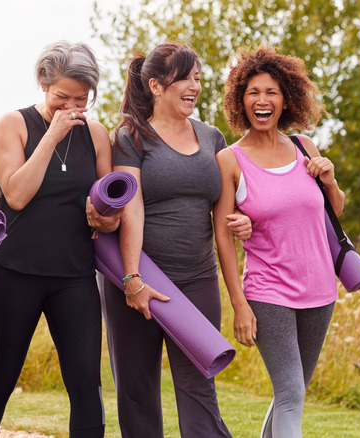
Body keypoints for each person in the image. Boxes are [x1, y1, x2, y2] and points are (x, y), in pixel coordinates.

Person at [0, 41, 119, 438]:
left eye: (81, 100)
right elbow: (15, 194)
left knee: (87, 386)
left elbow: (110, 211)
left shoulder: (97, 134)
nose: (71, 107)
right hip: (13, 271)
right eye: (61, 97)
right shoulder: (11, 125)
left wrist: (105, 217)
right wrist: (50, 137)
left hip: (74, 276)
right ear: (42, 84)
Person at [101, 42, 245, 438]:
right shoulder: (131, 136)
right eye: (184, 77)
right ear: (156, 86)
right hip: (141, 275)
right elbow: (131, 206)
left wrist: (243, 222)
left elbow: (226, 206)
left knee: (199, 382)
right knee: (137, 387)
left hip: (197, 276)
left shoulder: (213, 137)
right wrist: (131, 278)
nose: (194, 86)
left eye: (197, 77)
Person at [213, 45, 345, 438]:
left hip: (321, 290)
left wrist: (330, 180)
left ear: (286, 98)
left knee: (295, 392)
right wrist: (238, 304)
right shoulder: (231, 160)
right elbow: (223, 235)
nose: (262, 100)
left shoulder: (305, 147)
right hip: (268, 292)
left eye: (270, 91)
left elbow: (333, 212)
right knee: (289, 391)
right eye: (252, 92)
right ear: (241, 101)